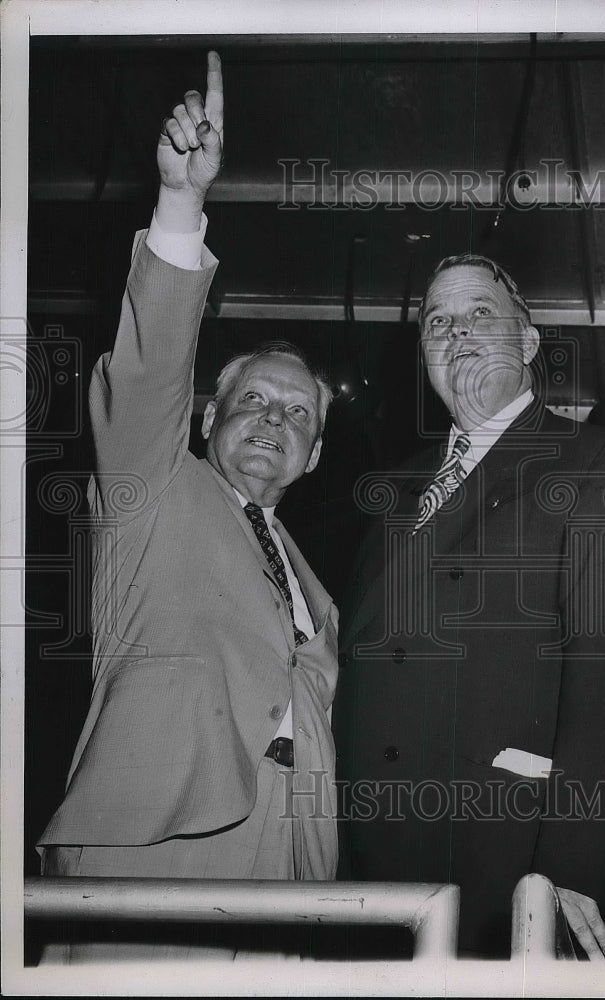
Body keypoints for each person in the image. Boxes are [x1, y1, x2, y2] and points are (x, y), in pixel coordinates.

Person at [36, 52, 339, 958]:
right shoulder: (154, 488)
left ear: (316, 455)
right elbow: (148, 371)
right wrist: (179, 208)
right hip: (157, 858)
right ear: (209, 417)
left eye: (296, 414)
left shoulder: (317, 591)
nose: (270, 419)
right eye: (251, 400)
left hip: (295, 886)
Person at [334, 253, 605, 960]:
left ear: (527, 342)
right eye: (437, 321)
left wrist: (570, 871)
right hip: (368, 876)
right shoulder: (391, 491)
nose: (456, 332)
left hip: (505, 864)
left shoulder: (596, 464)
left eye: (479, 314)